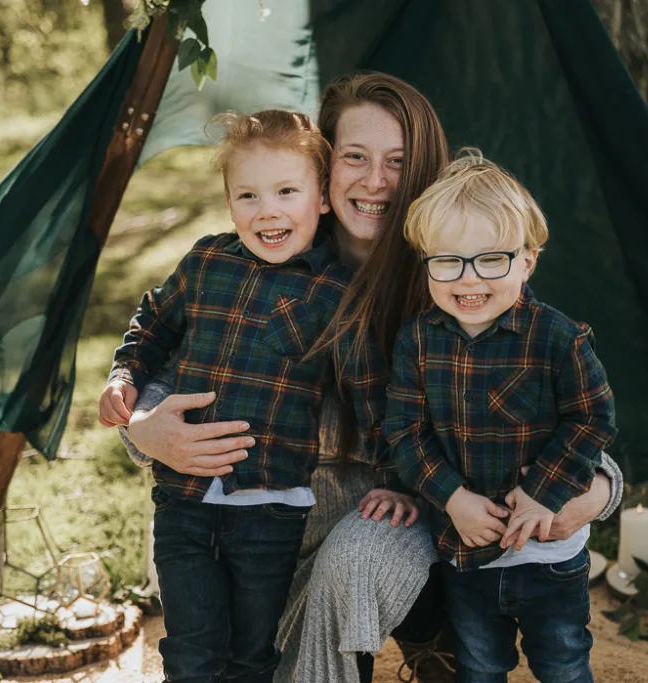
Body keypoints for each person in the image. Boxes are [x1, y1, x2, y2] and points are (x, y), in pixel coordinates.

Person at [122, 73, 625, 683]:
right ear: (322, 172)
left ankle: (431, 638)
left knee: (355, 557)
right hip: (264, 516)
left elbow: (565, 418)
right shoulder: (267, 259)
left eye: (398, 162)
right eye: (354, 157)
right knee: (214, 638)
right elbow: (179, 351)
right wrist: (143, 429)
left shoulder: (463, 272)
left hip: (417, 510)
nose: (376, 181)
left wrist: (597, 493)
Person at [100, 109, 395, 683]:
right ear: (230, 200)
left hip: (271, 510)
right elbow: (153, 324)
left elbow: (370, 395)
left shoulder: (337, 293)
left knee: (252, 658)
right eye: (249, 195)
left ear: (323, 199)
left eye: (288, 191)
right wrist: (124, 380)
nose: (268, 211)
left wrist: (394, 480)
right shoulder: (207, 261)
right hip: (182, 504)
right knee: (189, 654)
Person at [386, 151, 617, 683]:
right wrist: (452, 496)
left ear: (528, 261)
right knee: (480, 666)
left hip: (551, 554)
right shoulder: (418, 341)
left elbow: (591, 419)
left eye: (492, 259)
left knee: (562, 664)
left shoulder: (559, 338)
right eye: (447, 261)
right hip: (466, 553)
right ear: (426, 263)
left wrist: (544, 492)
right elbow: (404, 432)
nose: (468, 280)